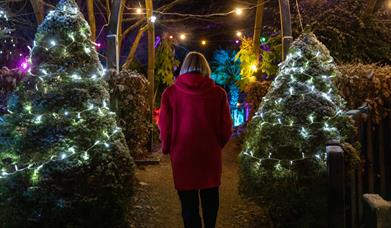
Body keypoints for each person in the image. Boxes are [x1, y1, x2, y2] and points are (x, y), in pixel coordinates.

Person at [159, 51, 233, 228]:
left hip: (183, 156)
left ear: (184, 67)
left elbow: (165, 127)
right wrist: (217, 144)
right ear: (205, 68)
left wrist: (168, 148)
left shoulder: (170, 94)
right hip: (209, 156)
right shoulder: (218, 93)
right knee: (211, 203)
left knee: (188, 206)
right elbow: (226, 128)